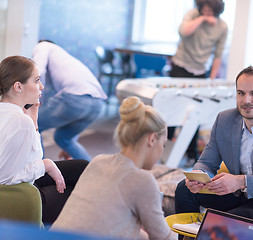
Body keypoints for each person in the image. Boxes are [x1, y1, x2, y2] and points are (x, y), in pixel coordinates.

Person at [175, 66, 253, 223]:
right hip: (235, 193)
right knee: (184, 189)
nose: (246, 100)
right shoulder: (224, 119)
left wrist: (241, 181)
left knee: (222, 221)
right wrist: (197, 177)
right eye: (241, 93)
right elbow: (207, 162)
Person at [51, 96, 177, 240]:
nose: (162, 151)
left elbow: (117, 225)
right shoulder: (143, 180)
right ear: (152, 139)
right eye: (164, 145)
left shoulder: (98, 162)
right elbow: (163, 237)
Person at [0, 55, 88, 224]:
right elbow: (5, 177)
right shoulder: (19, 121)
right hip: (17, 194)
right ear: (18, 86)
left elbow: (27, 159)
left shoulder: (13, 114)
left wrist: (33, 123)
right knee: (78, 192)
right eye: (37, 80)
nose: (41, 86)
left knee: (82, 168)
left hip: (19, 182)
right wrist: (45, 165)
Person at [169, 0, 228, 164]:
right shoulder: (193, 15)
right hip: (180, 66)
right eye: (204, 9)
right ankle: (165, 148)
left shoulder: (222, 27)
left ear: (217, 10)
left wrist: (212, 79)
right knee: (172, 109)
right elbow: (183, 31)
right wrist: (202, 19)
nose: (206, 12)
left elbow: (218, 55)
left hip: (200, 72)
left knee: (194, 112)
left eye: (210, 10)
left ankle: (191, 153)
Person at [32, 40, 107, 161]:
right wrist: (68, 146)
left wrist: (34, 100)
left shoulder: (43, 45)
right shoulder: (67, 59)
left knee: (34, 124)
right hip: (98, 103)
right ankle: (91, 171)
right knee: (64, 138)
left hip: (75, 97)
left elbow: (39, 72)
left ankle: (40, 173)